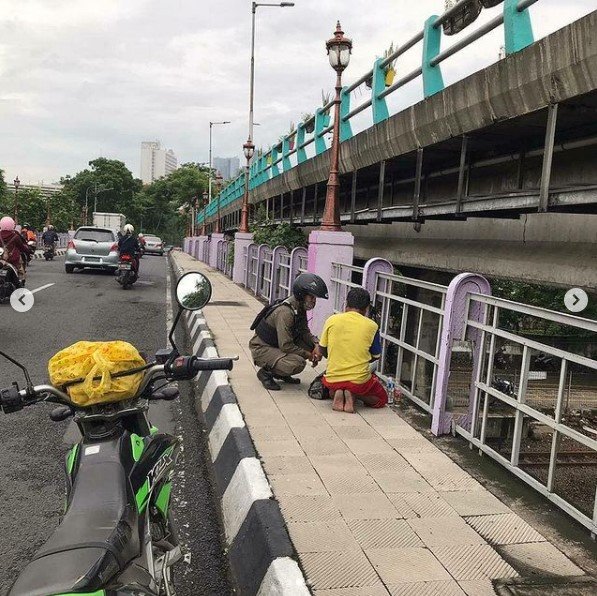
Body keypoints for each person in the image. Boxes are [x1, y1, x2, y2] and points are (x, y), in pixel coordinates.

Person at [249, 273, 329, 391]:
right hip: (261, 348)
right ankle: (266, 373)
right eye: (311, 297)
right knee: (297, 363)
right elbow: (286, 345)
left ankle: (281, 372)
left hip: (275, 344)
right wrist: (309, 355)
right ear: (302, 295)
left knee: (310, 346)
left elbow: (304, 331)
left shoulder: (299, 308)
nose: (314, 301)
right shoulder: (285, 312)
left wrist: (317, 345)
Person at [317, 287, 387, 413]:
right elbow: (376, 356)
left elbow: (322, 349)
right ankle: (354, 394)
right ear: (366, 308)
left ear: (346, 304)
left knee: (334, 387)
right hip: (358, 380)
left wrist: (336, 356)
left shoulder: (331, 320)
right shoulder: (372, 326)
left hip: (333, 378)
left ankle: (338, 393)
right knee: (381, 399)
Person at [0, 216, 34, 284]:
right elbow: (22, 247)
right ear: (12, 225)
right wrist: (28, 250)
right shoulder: (15, 235)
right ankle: (20, 281)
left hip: (1, 260)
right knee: (20, 270)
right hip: (13, 260)